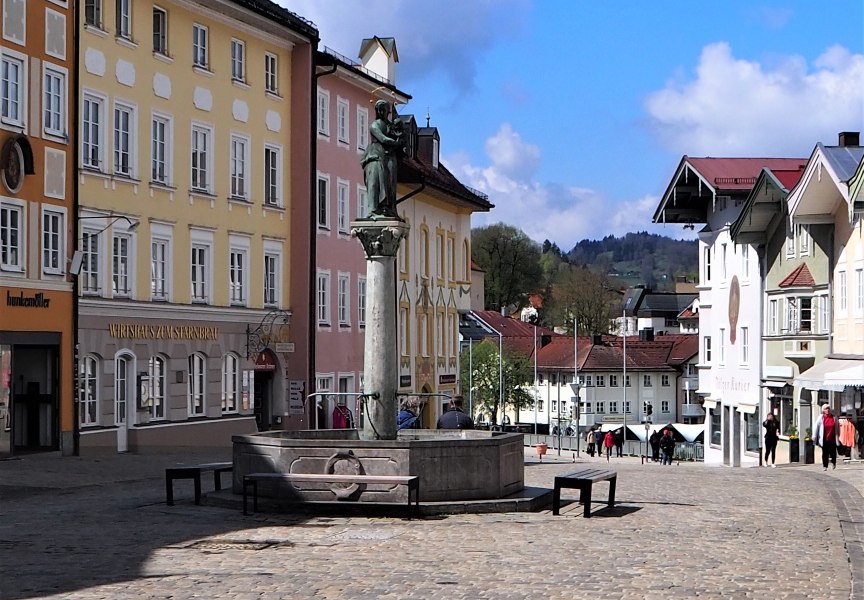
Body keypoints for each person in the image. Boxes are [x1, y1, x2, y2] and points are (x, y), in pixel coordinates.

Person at [360, 99, 403, 219]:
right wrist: (396, 142)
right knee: (376, 182)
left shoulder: (390, 125)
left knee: (390, 183)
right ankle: (374, 209)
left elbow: (399, 132)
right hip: (376, 155)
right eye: (381, 110)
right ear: (377, 111)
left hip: (389, 156)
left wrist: (400, 137)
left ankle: (389, 208)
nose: (383, 112)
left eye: (385, 110)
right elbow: (383, 138)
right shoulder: (375, 125)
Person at [814, 403, 840, 471]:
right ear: (823, 410)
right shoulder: (821, 417)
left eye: (828, 409)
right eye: (826, 409)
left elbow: (837, 427)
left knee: (833, 452)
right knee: (825, 453)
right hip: (824, 438)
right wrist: (814, 435)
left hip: (832, 437)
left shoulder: (834, 417)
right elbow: (816, 426)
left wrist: (838, 435)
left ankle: (834, 463)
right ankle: (825, 466)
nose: (827, 410)